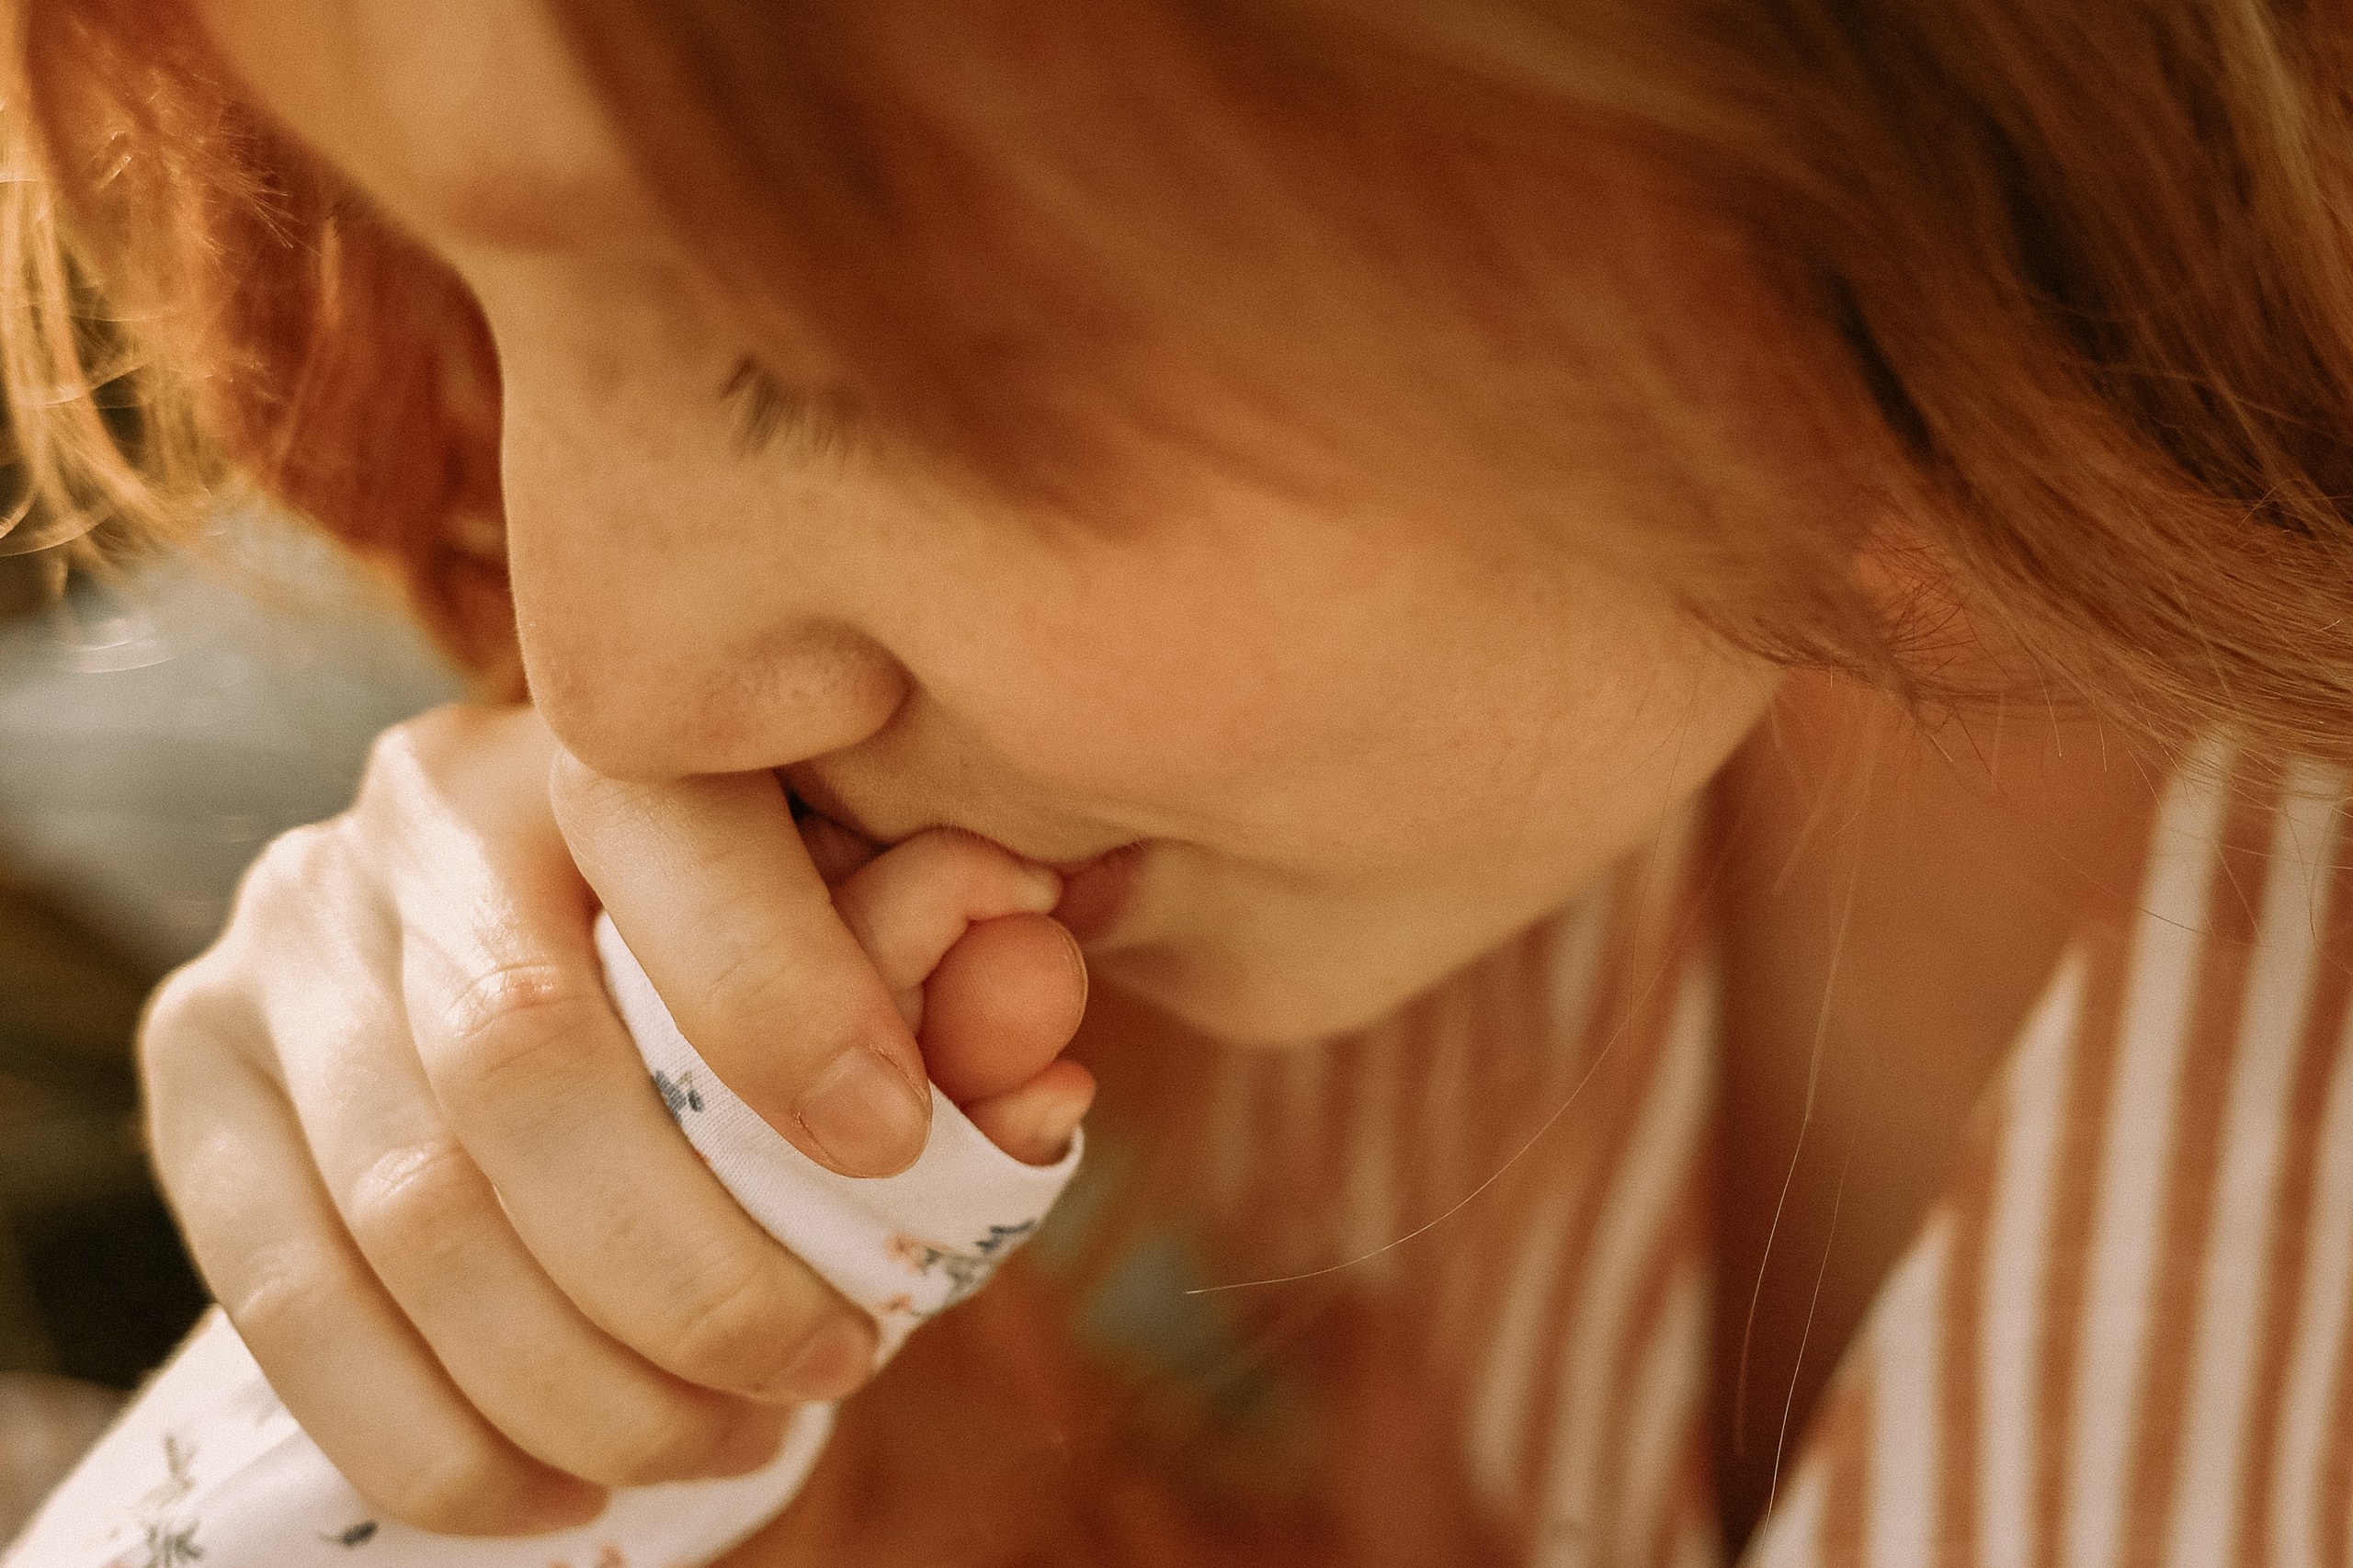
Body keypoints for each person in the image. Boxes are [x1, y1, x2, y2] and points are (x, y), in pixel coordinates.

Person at [6, 0, 2353, 1563]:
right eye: (485, 293)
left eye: (814, 357)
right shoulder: (1276, 866)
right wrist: (617, 1379)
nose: (611, 694)